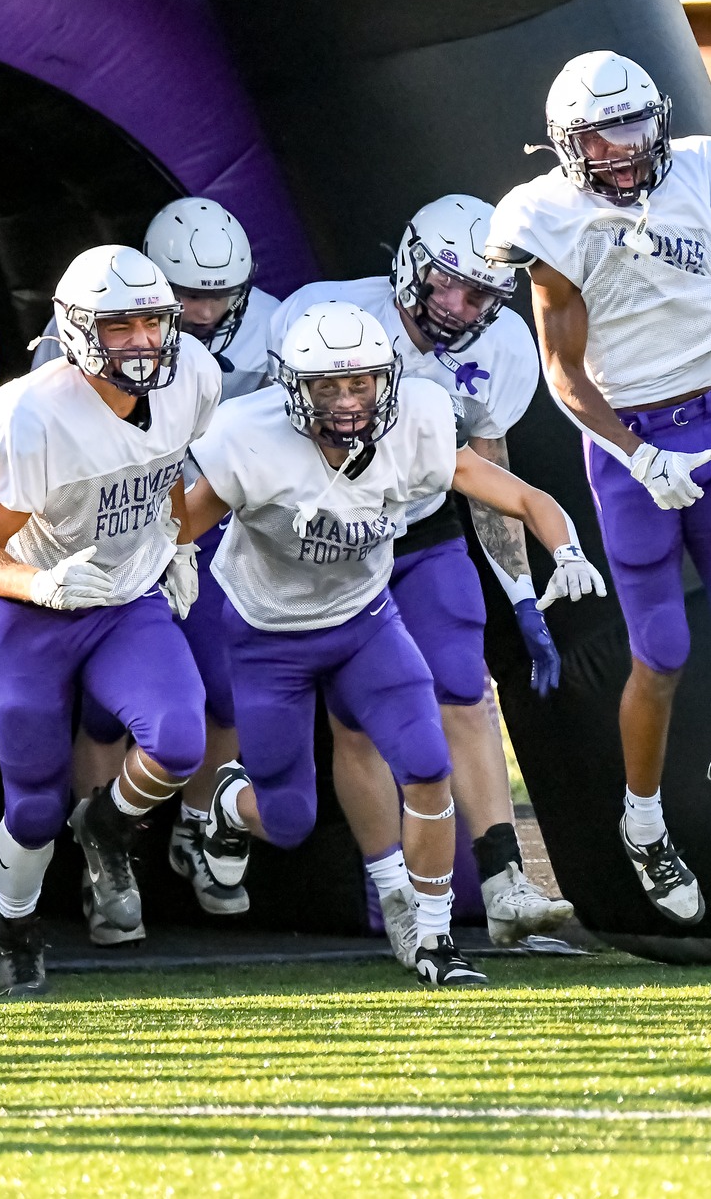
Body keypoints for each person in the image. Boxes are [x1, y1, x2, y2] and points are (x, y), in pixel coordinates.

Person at [186, 302, 603, 985]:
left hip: (364, 624)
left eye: (361, 384)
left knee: (427, 762)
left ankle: (435, 940)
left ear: (388, 381)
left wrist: (569, 550)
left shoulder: (418, 419)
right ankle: (230, 802)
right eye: (328, 387)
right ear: (294, 388)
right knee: (288, 819)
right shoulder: (249, 435)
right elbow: (177, 527)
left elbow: (523, 497)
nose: (349, 402)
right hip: (270, 639)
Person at [486, 49, 711, 925]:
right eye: (602, 136)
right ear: (566, 146)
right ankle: (642, 821)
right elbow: (563, 370)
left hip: (710, 415)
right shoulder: (549, 220)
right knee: (660, 652)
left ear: (659, 121)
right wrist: (638, 456)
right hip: (626, 435)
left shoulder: (700, 173)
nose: (624, 151)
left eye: (634, 128)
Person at [271, 194, 570, 958]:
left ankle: (504, 881)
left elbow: (490, 468)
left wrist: (523, 595)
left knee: (465, 690)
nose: (466, 307)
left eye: (483, 294)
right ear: (410, 264)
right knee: (355, 720)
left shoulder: (501, 346)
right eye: (452, 285)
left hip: (427, 529)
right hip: (335, 539)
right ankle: (394, 891)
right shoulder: (329, 317)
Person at [0, 245, 218, 995]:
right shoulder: (31, 412)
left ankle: (104, 823)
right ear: (75, 331)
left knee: (179, 738)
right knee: (34, 806)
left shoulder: (194, 372)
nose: (140, 339)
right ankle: (15, 924)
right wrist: (44, 584)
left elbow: (161, 470)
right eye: (118, 324)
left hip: (124, 597)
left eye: (151, 321)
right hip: (31, 613)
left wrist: (173, 540)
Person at [32, 198, 279, 931]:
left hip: (206, 520)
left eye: (220, 294)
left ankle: (202, 824)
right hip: (109, 525)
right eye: (189, 294)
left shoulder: (275, 323)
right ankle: (109, 862)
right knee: (108, 709)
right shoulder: (78, 335)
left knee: (226, 689)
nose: (204, 311)